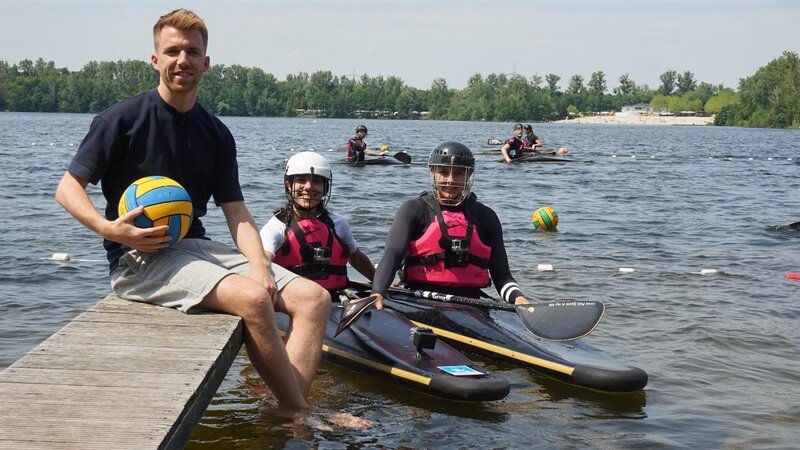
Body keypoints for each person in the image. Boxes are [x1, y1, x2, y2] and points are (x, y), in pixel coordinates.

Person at [54, 8, 329, 410]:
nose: (183, 60)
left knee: (315, 299)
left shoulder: (215, 132)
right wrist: (112, 229)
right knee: (254, 300)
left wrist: (258, 265)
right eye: (172, 51)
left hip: (194, 245)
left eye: (192, 52)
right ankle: (301, 414)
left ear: (206, 62)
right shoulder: (120, 120)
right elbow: (67, 189)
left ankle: (290, 405)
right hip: (138, 257)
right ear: (155, 60)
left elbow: (236, 211)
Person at [370, 142, 530, 308]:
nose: (450, 180)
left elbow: (502, 275)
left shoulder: (486, 216)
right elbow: (393, 253)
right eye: (444, 172)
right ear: (433, 171)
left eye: (459, 174)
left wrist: (519, 299)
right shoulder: (413, 209)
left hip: (471, 303)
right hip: (418, 301)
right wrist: (378, 292)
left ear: (469, 175)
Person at [260, 152, 376, 293]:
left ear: (325, 187)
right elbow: (263, 260)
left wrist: (380, 282)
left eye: (317, 181)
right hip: (295, 301)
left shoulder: (339, 224)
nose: (309, 187)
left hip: (337, 299)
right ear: (289, 185)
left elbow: (357, 259)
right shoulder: (276, 227)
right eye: (301, 180)